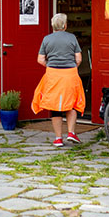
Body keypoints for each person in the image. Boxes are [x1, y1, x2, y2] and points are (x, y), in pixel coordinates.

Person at [32, 13, 86, 147]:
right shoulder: (72, 38)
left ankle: (57, 138)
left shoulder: (47, 39)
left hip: (52, 75)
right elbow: (78, 59)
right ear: (65, 25)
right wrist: (72, 66)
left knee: (55, 106)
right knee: (72, 102)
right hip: (70, 74)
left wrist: (50, 65)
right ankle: (71, 132)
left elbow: (40, 59)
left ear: (52, 26)